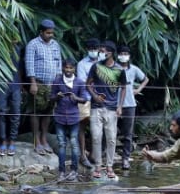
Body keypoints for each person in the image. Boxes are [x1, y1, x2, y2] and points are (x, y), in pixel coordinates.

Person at [86, 40, 126, 179]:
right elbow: (88, 85)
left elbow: (124, 87)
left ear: (111, 53)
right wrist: (95, 97)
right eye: (100, 51)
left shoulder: (120, 69)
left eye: (103, 51)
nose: (100, 53)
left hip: (112, 108)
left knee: (111, 139)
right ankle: (98, 166)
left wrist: (120, 106)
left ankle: (109, 167)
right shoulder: (95, 67)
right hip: (96, 108)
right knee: (96, 137)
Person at [24, 18, 61, 154]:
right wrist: (33, 83)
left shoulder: (55, 45)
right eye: (47, 33)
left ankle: (44, 139)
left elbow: (59, 64)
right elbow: (29, 64)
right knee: (35, 111)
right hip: (38, 83)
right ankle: (36, 140)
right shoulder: (33, 44)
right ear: (41, 32)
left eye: (51, 33)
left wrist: (58, 83)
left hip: (52, 83)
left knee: (48, 112)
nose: (50, 35)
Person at [50, 58, 89, 182]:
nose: (68, 70)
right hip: (60, 116)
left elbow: (84, 99)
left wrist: (75, 97)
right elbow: (51, 97)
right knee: (61, 144)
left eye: (71, 68)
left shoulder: (79, 82)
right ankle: (61, 171)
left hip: (73, 117)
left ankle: (74, 171)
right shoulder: (57, 81)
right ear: (63, 68)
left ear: (74, 69)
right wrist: (57, 97)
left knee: (74, 144)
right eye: (66, 67)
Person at [117, 45, 149, 170]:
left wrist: (139, 89)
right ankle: (106, 157)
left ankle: (125, 158)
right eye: (121, 53)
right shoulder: (113, 68)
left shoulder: (134, 69)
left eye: (126, 53)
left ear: (129, 56)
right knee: (110, 131)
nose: (123, 56)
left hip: (130, 104)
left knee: (128, 134)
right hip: (114, 104)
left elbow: (145, 79)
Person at [76, 37, 100, 168]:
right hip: (86, 98)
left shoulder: (103, 62)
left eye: (95, 49)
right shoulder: (82, 64)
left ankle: (93, 154)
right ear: (87, 50)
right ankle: (82, 156)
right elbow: (83, 82)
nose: (93, 51)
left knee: (97, 128)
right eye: (91, 49)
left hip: (100, 99)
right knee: (82, 126)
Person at [0, 43, 22, 157]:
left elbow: (20, 67)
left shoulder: (18, 47)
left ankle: (12, 140)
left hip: (16, 84)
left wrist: (22, 85)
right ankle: (3, 140)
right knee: (1, 111)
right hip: (1, 84)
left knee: (15, 112)